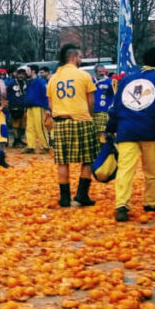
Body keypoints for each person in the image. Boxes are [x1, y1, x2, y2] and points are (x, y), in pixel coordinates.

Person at [107, 46, 155, 222]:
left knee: (125, 169)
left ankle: (121, 205)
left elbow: (116, 106)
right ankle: (151, 202)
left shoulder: (126, 80)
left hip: (126, 130)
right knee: (152, 170)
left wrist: (111, 128)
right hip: (151, 130)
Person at [48, 45, 99, 207]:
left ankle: (64, 198)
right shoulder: (84, 75)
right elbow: (91, 101)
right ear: (75, 57)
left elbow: (51, 104)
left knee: (62, 161)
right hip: (82, 120)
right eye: (81, 57)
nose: (81, 60)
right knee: (88, 159)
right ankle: (82, 194)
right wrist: (91, 116)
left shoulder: (53, 78)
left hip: (61, 122)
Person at [24, 66, 51, 154]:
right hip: (30, 107)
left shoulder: (40, 82)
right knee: (29, 127)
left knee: (40, 127)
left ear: (33, 71)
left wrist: (47, 108)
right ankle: (30, 146)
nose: (26, 72)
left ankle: (46, 146)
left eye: (28, 70)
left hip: (38, 107)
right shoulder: (29, 82)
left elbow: (46, 95)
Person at [7, 68, 28, 147]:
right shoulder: (11, 84)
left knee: (23, 125)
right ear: (16, 74)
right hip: (14, 107)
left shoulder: (26, 83)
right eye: (20, 74)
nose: (21, 76)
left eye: (23, 74)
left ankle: (20, 139)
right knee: (15, 124)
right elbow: (7, 94)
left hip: (24, 107)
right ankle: (16, 140)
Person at [93, 65, 114, 138]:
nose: (102, 73)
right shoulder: (91, 81)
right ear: (95, 72)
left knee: (102, 134)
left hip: (104, 112)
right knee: (94, 134)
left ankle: (104, 147)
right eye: (99, 72)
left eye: (103, 71)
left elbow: (115, 93)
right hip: (92, 112)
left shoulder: (110, 82)